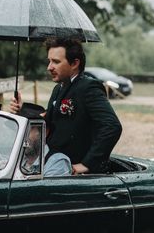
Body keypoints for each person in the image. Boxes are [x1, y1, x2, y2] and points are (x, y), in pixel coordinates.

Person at [10, 37, 122, 174]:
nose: (49, 67)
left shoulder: (89, 87)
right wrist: (23, 109)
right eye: (49, 61)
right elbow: (49, 117)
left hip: (73, 173)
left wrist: (86, 164)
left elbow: (112, 126)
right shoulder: (58, 88)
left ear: (75, 63)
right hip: (52, 164)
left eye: (56, 62)